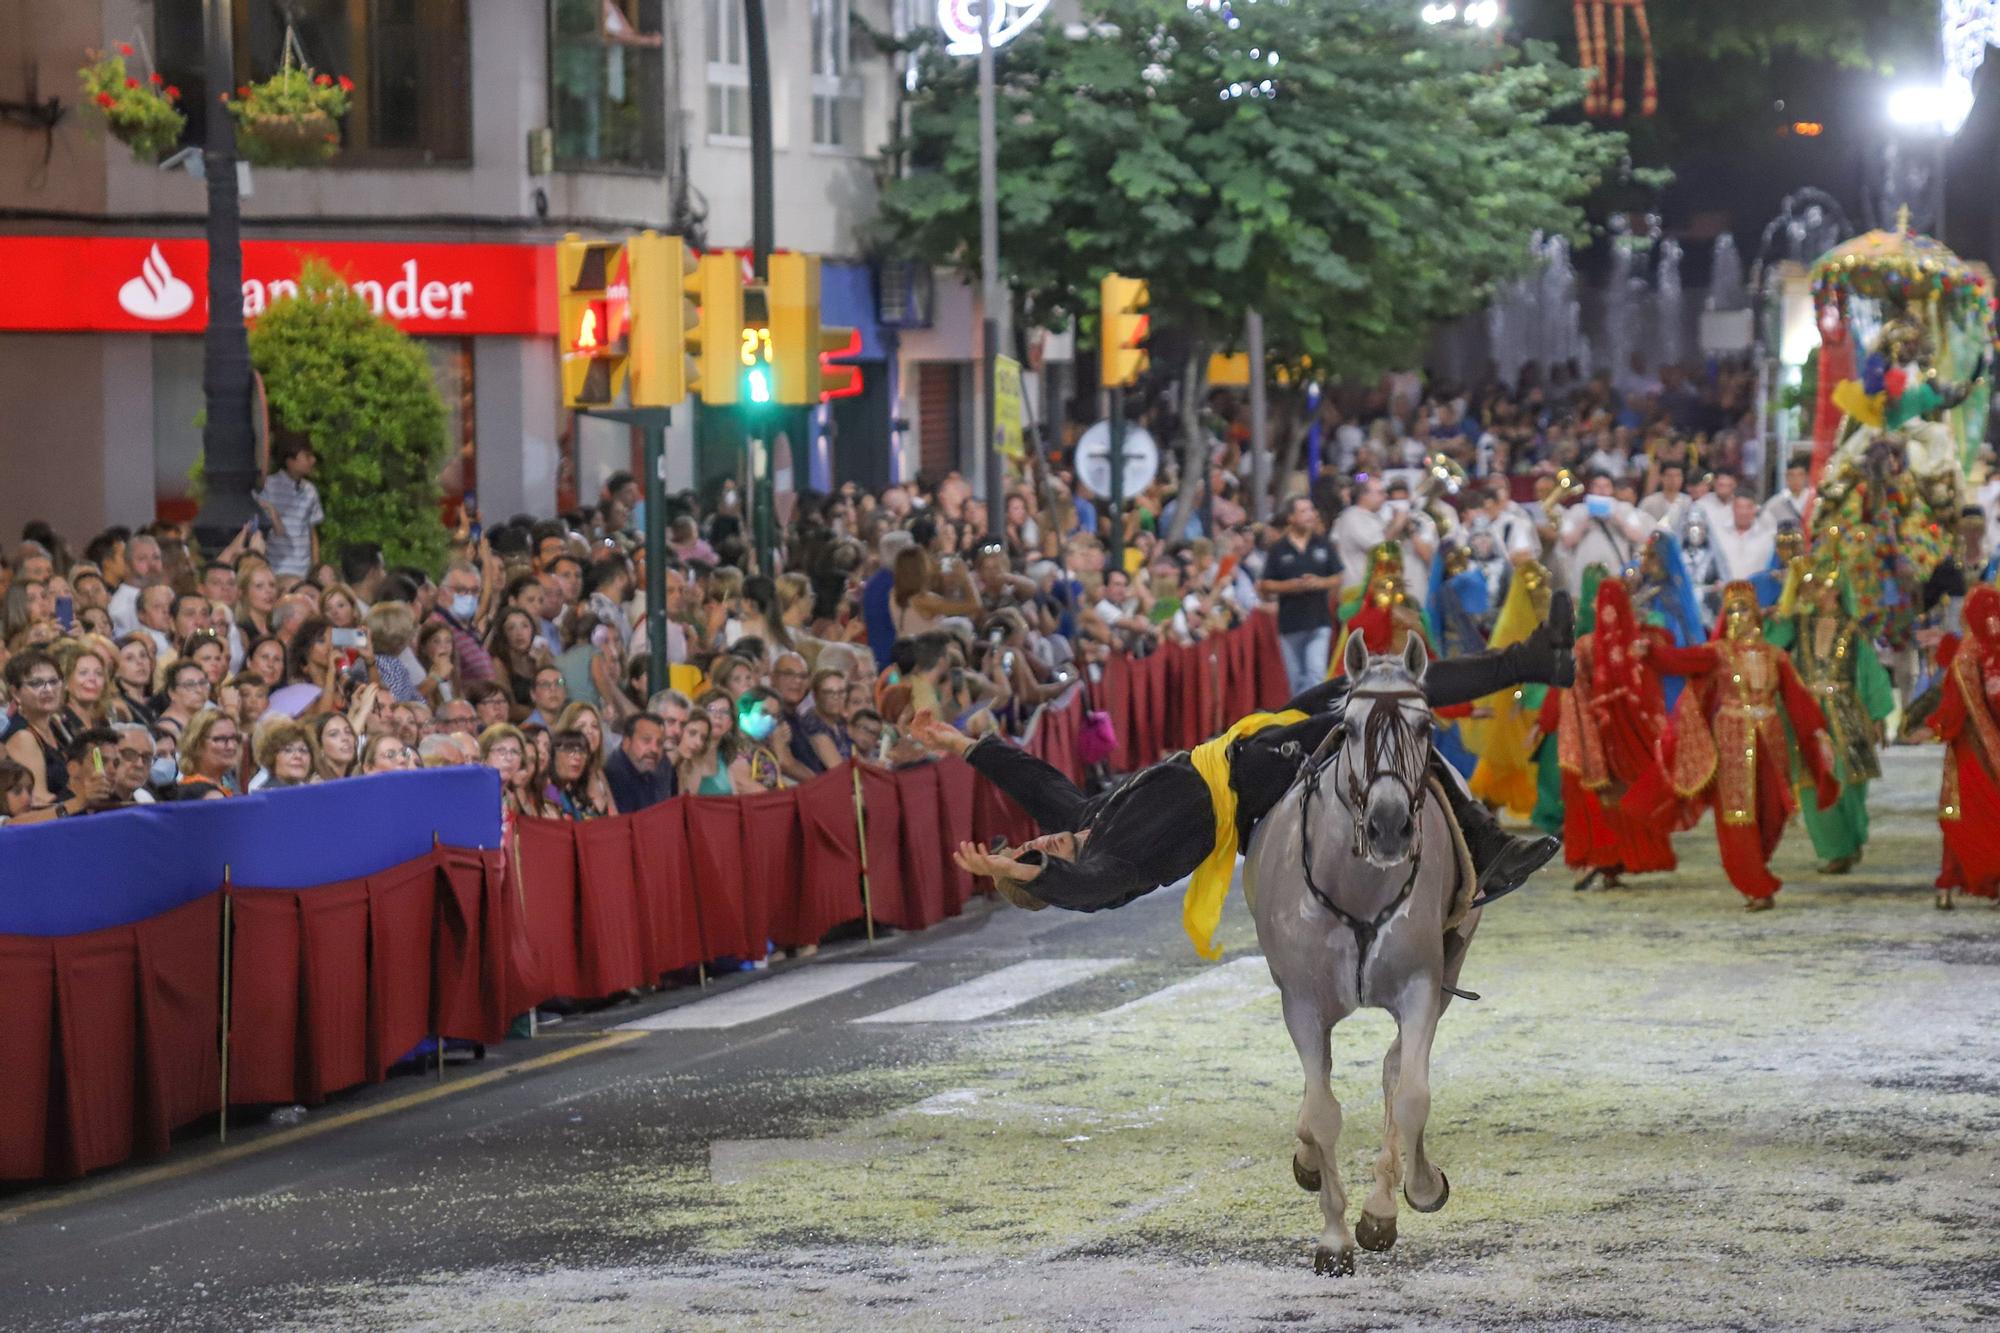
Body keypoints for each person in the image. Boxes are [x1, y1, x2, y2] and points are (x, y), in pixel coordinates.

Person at [922, 601, 1576, 948]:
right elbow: (1082, 888)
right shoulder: (1111, 869)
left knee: (1374, 679)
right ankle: (1485, 845)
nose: (1040, 844)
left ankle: (1535, 658)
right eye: (1036, 859)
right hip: (1250, 780)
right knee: (1377, 714)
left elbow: (1036, 781)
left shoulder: (1086, 821)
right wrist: (1014, 873)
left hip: (1238, 741)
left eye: (1032, 844)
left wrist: (963, 744)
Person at [1644, 582, 1839, 911]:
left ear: (1756, 614)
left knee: (1772, 813)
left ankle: (1756, 869)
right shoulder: (1718, 653)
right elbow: (1676, 661)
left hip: (1771, 742)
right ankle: (1755, 885)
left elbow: (1798, 701)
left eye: (1743, 608)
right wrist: (1648, 649)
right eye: (1731, 610)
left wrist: (1818, 734)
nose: (1737, 616)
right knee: (1736, 813)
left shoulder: (1777, 656)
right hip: (1732, 743)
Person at [1549, 571, 1682, 890]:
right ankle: (1613, 863)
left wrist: (1582, 733)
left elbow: (1573, 691)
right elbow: (1667, 651)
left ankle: (1603, 861)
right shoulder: (1640, 645)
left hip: (1596, 734)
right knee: (1625, 797)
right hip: (1631, 739)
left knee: (1597, 797)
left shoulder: (1585, 646)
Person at [1766, 558, 1894, 875]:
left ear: (1834, 591)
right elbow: (1771, 644)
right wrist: (1784, 606)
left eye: (1818, 586)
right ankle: (1835, 850)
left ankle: (1850, 842)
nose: (1812, 591)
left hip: (1847, 712)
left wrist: (1877, 716)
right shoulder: (1798, 625)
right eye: (1809, 586)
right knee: (1811, 780)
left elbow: (1871, 673)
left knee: (1849, 781)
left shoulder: (1854, 630)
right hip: (1809, 714)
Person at [1925, 584, 2000, 906]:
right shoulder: (1977, 653)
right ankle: (1965, 879)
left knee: (1963, 815)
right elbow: (1968, 705)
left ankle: (1951, 883)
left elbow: (1959, 705)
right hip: (1978, 747)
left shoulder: (1978, 651)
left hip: (1975, 747)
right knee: (1969, 815)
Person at [1258, 496, 1342, 696]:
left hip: (1319, 620)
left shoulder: (1323, 544)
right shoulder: (1279, 549)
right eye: (1303, 511)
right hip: (1290, 623)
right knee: (1295, 680)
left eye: (1311, 510)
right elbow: (1265, 584)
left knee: (1315, 673)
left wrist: (1320, 583)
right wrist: (1290, 586)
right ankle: (1301, 721)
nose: (1310, 515)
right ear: (1291, 518)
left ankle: (1315, 718)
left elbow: (1338, 576)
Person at [2, 649, 74, 806]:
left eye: (54, 682)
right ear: (15, 693)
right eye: (36, 683)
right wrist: (82, 799)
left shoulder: (58, 725)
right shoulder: (23, 737)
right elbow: (37, 799)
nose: (48, 689)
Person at [604, 711, 674, 812]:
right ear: (626, 742)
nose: (654, 749)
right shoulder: (613, 774)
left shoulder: (663, 765)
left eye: (659, 743)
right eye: (646, 740)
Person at [169, 708, 241, 799]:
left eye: (234, 738)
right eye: (220, 739)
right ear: (196, 744)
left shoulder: (226, 785)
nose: (231, 746)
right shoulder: (207, 795)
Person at [252, 718, 318, 790]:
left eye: (303, 750)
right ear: (272, 757)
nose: (298, 756)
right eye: (288, 750)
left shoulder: (309, 791)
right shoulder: (266, 794)